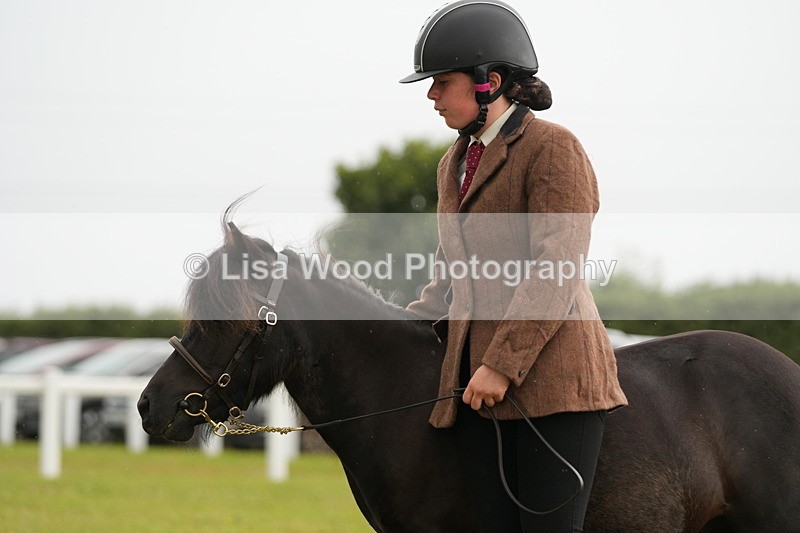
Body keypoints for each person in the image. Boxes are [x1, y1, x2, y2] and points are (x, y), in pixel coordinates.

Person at [400, 1, 628, 531]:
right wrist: (394, 331)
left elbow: (556, 267)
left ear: (489, 82)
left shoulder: (553, 148)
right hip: (475, 391)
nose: (431, 95)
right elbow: (450, 275)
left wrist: (501, 364)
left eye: (441, 81)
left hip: (554, 384)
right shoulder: (453, 161)